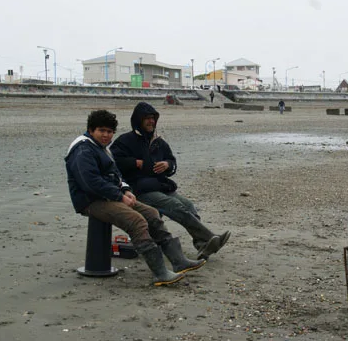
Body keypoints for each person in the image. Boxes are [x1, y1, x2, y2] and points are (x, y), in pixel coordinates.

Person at [65, 110, 206, 286]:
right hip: (90, 201)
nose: (106, 135)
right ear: (91, 130)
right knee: (136, 221)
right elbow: (90, 182)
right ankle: (160, 272)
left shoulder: (101, 148)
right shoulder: (83, 149)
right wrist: (119, 196)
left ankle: (178, 261)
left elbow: (116, 173)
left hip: (109, 197)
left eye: (109, 132)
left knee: (152, 213)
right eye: (101, 131)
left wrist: (126, 190)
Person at [111, 102, 230, 260]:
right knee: (175, 206)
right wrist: (136, 163)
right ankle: (209, 238)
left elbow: (172, 161)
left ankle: (202, 245)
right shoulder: (125, 141)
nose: (151, 121)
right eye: (147, 118)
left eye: (153, 118)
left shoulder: (158, 142)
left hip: (160, 185)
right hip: (139, 190)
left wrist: (167, 164)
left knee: (188, 205)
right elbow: (113, 162)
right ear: (138, 120)